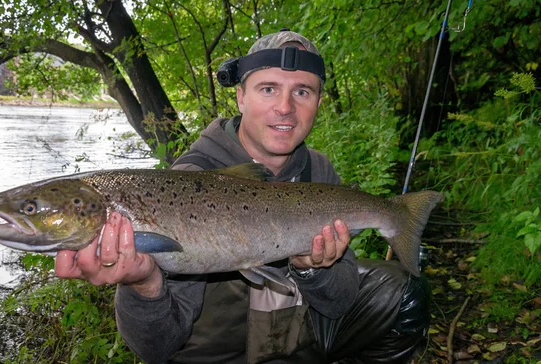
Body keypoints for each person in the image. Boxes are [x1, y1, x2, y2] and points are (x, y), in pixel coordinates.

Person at [55, 29, 430, 364]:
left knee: (404, 293)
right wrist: (144, 284)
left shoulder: (317, 171)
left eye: (302, 91)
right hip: (223, 354)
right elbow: (156, 349)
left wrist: (312, 266)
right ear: (240, 97)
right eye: (269, 89)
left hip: (300, 340)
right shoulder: (185, 188)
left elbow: (340, 303)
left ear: (318, 103)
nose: (285, 107)